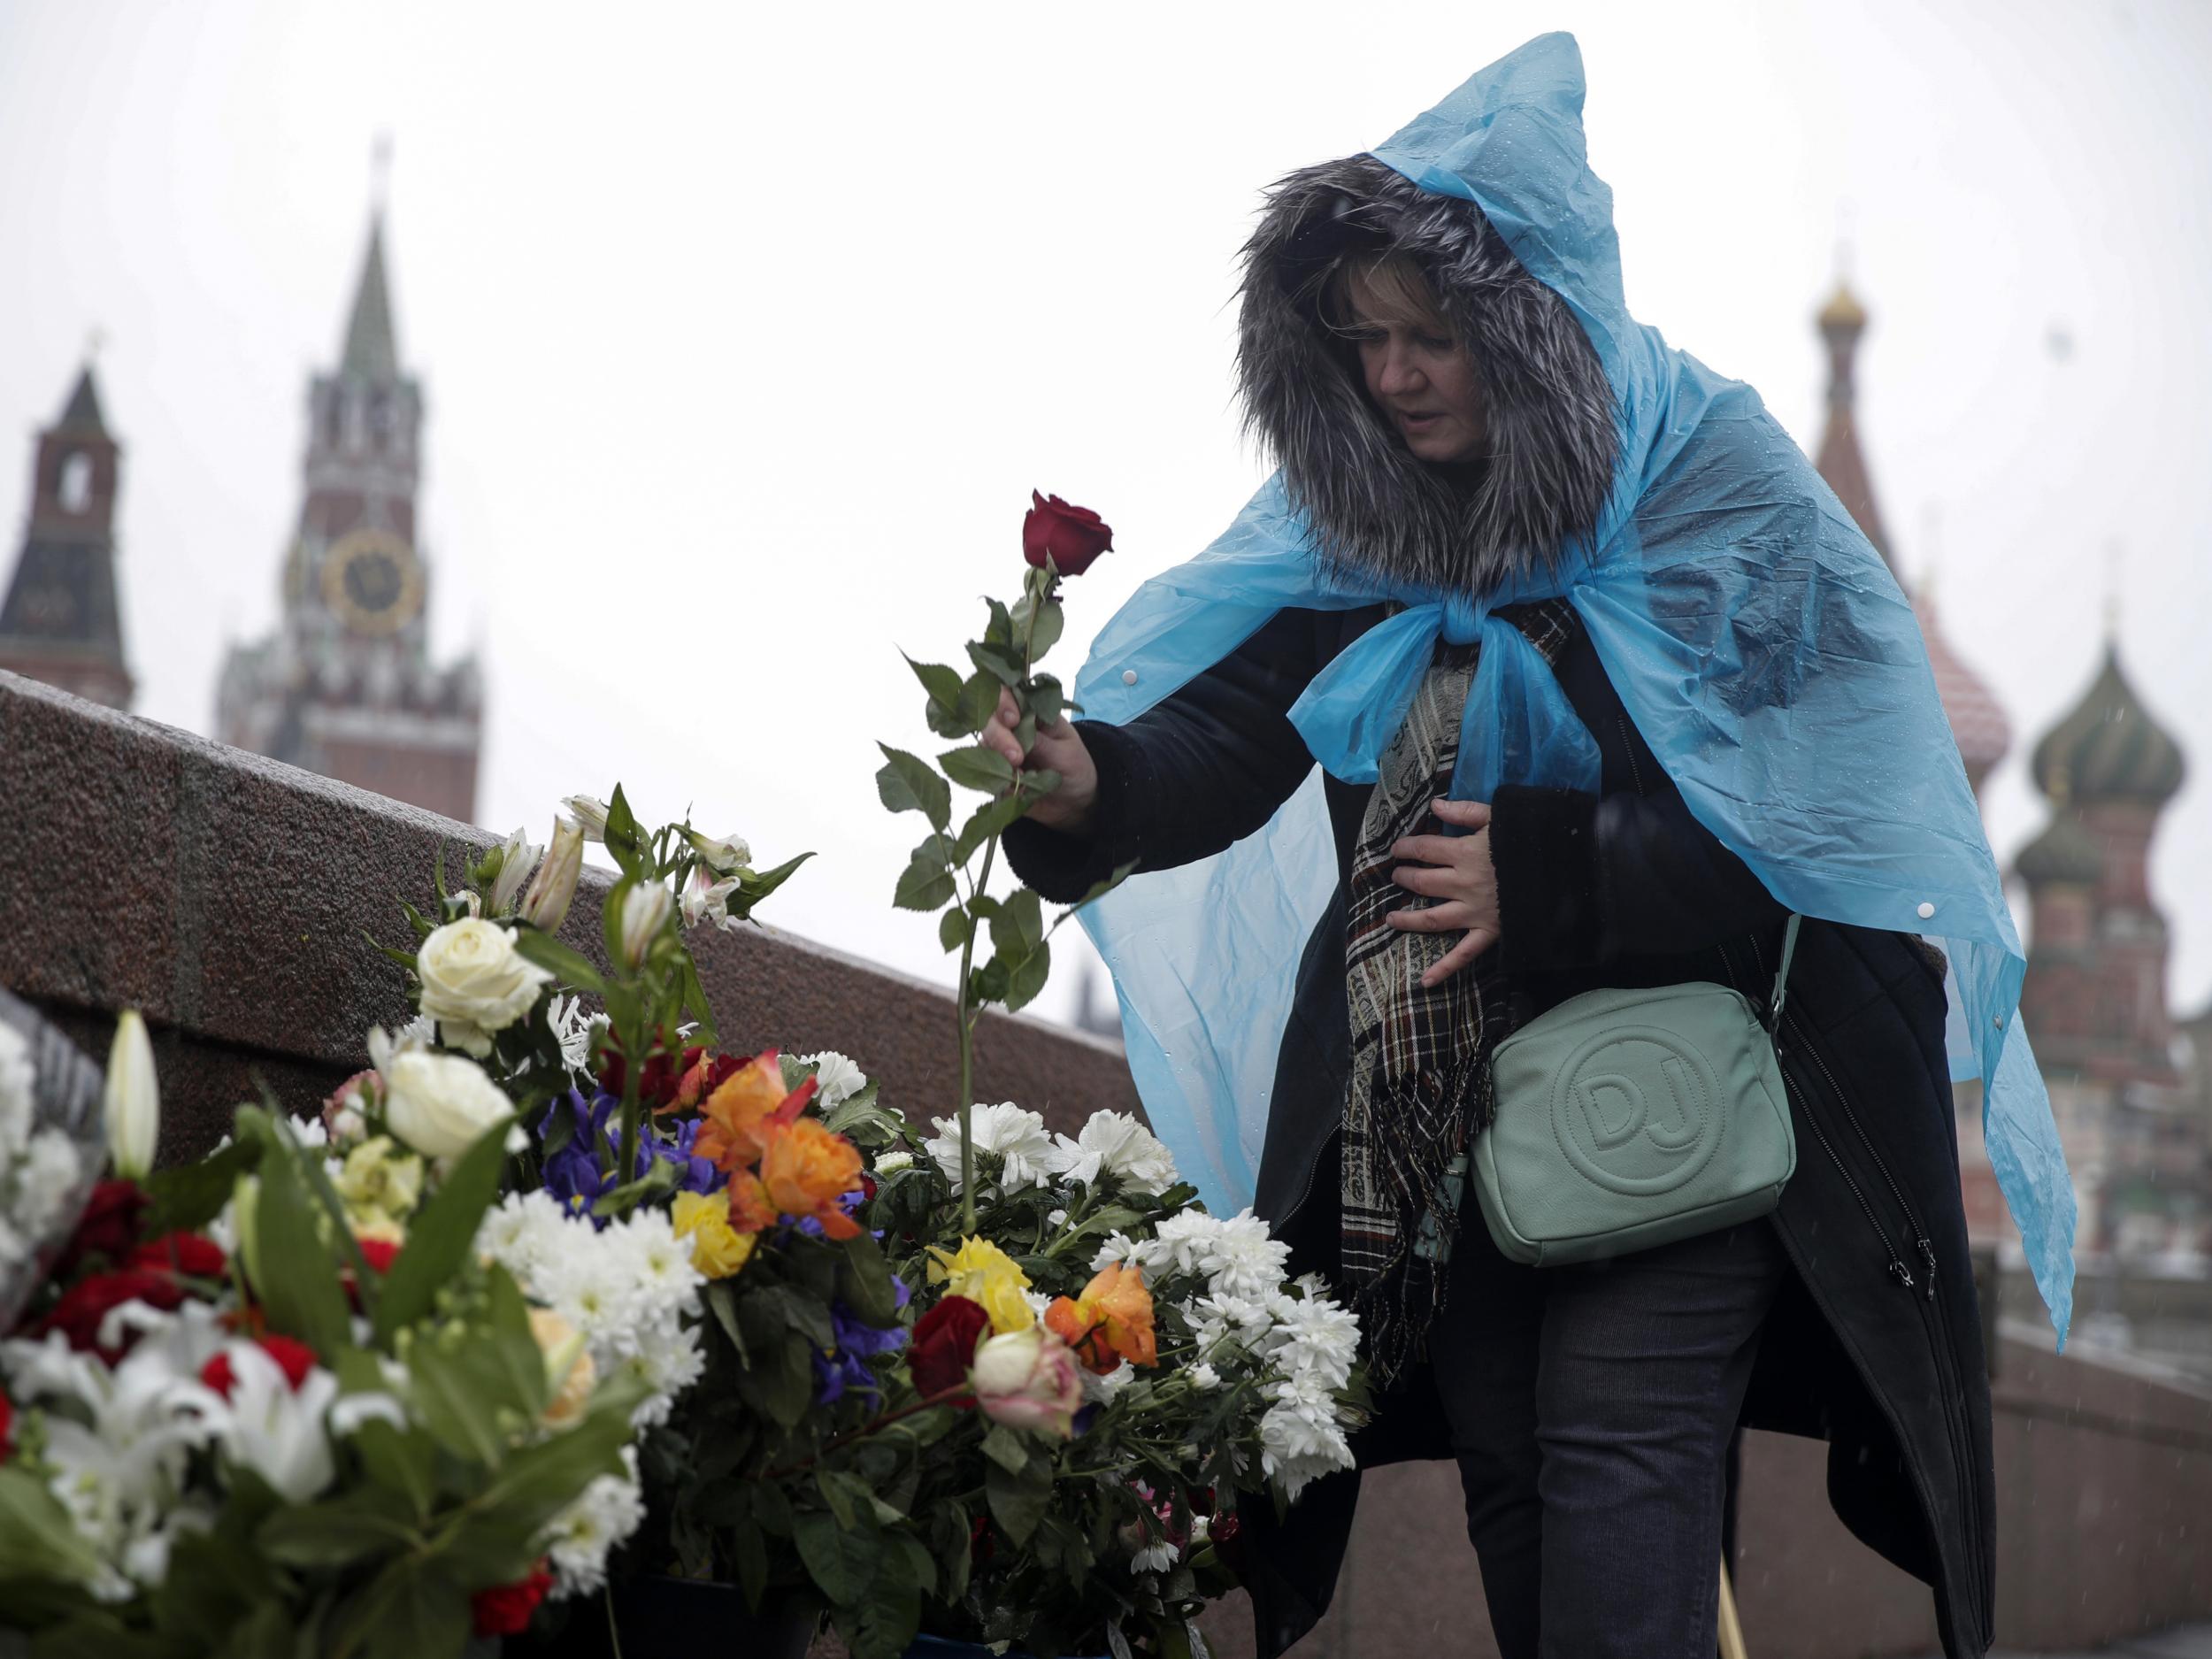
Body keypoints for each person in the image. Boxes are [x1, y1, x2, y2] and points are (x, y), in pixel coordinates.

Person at [990, 33, 2072, 1659]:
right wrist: (1091, 784)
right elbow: (1231, 733)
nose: (1399, 376)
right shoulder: (1357, 523)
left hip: (1690, 1115)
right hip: (1445, 1133)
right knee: (1523, 1527)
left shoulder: (1712, 491)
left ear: (1536, 323)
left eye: (1437, 336)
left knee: (1624, 1509)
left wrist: (1554, 879)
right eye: (1366, 342)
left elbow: (1828, 819)